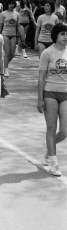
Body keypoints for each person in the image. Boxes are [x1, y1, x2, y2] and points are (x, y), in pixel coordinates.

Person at [37, 23, 67, 176]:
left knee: (64, 131)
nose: (65, 36)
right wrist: (40, 98)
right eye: (62, 33)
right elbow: (41, 77)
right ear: (56, 35)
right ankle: (54, 164)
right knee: (51, 128)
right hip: (50, 93)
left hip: (65, 94)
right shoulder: (47, 53)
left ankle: (48, 145)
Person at [0, 0, 20, 78]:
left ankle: (3, 64)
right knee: (7, 52)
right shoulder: (3, 14)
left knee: (12, 53)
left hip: (13, 34)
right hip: (5, 34)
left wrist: (20, 33)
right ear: (7, 4)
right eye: (9, 4)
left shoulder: (17, 14)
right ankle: (5, 70)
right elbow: (0, 25)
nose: (11, 5)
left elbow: (18, 25)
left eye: (12, 4)